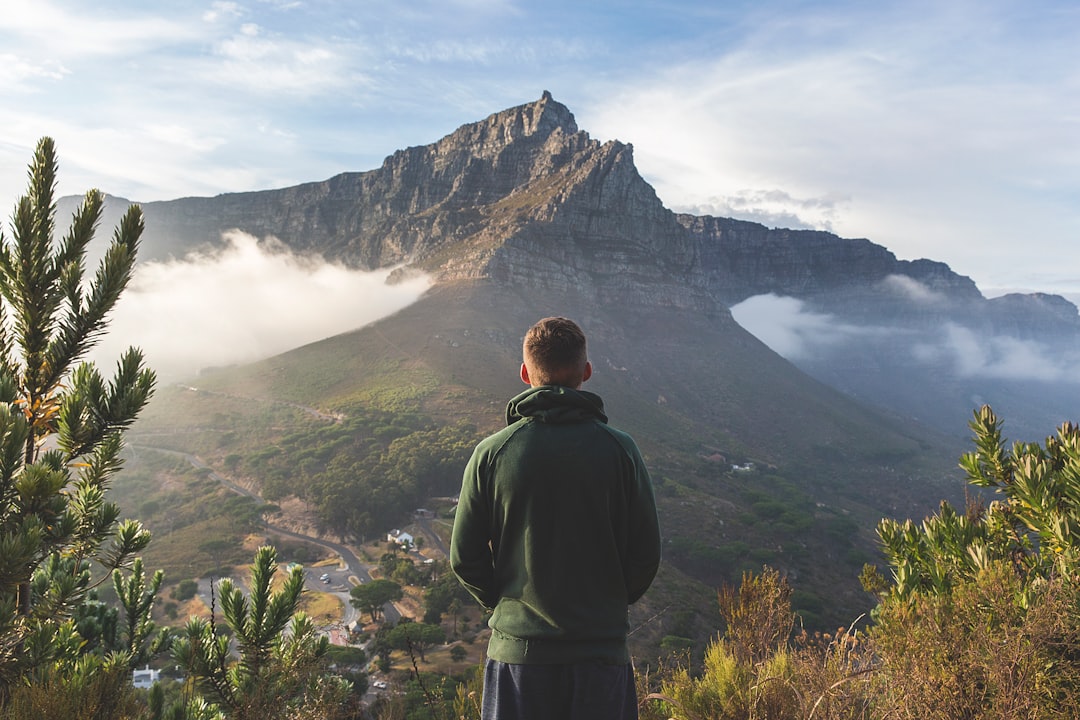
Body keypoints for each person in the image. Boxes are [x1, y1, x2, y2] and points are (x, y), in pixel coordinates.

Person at [450, 316, 661, 720]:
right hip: (601, 657)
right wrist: (609, 604)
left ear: (526, 372)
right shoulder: (620, 451)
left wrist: (504, 608)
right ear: (586, 371)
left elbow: (465, 557)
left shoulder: (493, 453)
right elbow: (646, 555)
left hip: (518, 661)